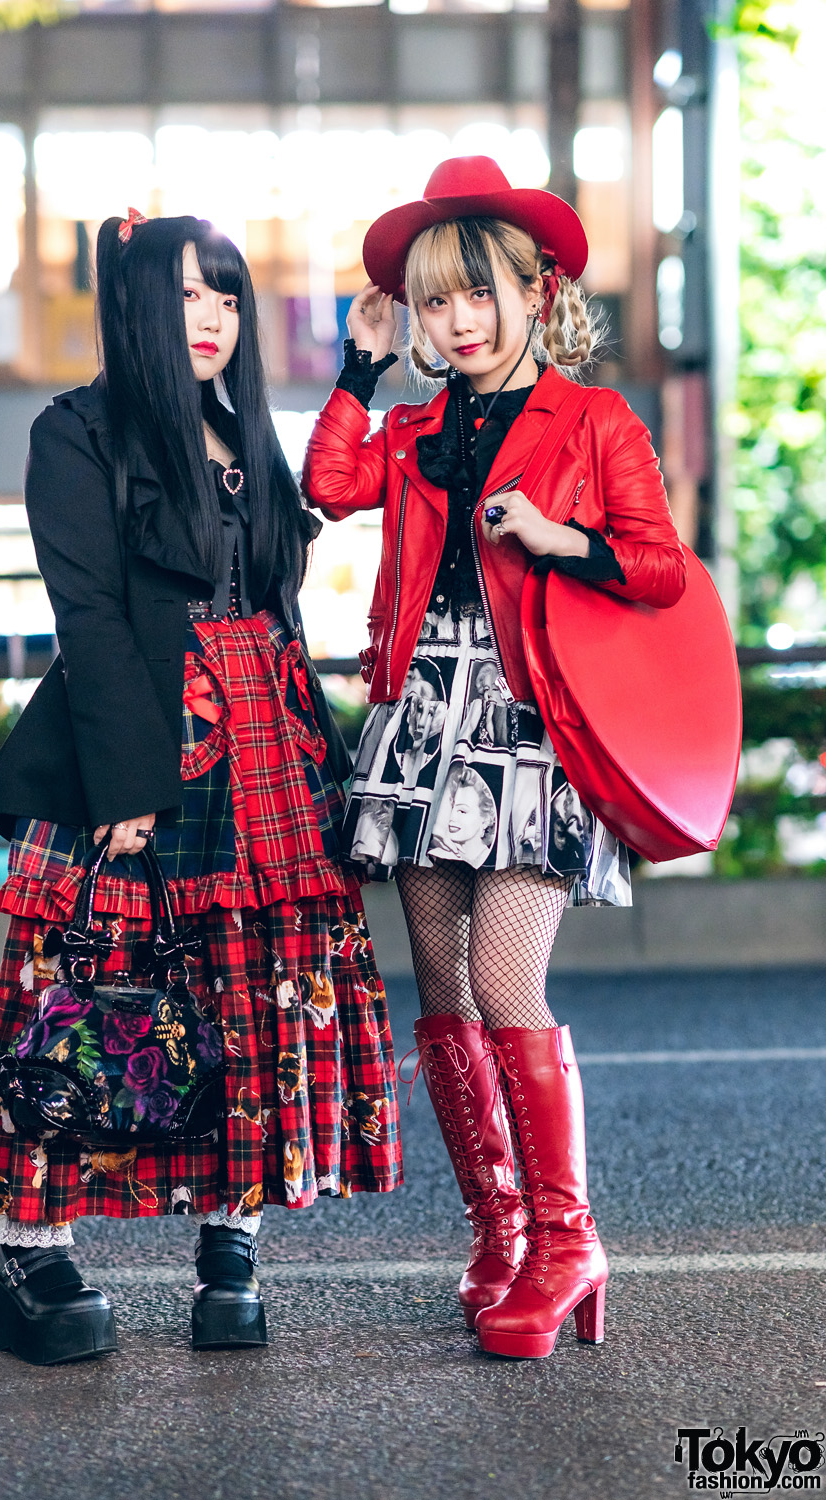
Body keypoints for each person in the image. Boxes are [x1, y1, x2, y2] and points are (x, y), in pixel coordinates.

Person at [0, 211, 402, 1365]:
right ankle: (32, 1253)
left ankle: (230, 1255)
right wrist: (129, 782)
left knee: (255, 990)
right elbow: (91, 616)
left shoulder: (242, 430)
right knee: (83, 995)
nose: (211, 319)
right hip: (142, 741)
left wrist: (360, 368)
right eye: (187, 296)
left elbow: (279, 578)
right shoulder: (75, 436)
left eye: (227, 298)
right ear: (135, 309)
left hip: (268, 745)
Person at [303, 156, 686, 1359]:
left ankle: (570, 1245)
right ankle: (499, 1229)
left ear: (535, 288)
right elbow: (327, 482)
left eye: (476, 294)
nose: (455, 321)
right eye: (430, 303)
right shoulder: (414, 426)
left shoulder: (596, 420)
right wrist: (359, 370)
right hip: (424, 712)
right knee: (443, 989)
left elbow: (662, 569)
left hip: (532, 720)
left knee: (508, 980)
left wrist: (560, 536)